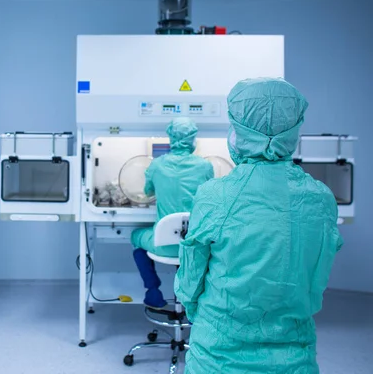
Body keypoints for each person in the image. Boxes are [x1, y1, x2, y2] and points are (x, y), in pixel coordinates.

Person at [174, 78, 343, 373]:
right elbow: (315, 286)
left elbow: (190, 283)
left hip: (217, 354)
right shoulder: (321, 199)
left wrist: (203, 318)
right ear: (293, 131)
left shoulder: (215, 195)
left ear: (238, 132)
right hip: (294, 357)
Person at [131, 118, 214, 309]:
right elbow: (210, 195)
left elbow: (147, 192)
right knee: (190, 245)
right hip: (195, 245)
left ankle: (152, 290)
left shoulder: (157, 165)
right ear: (194, 140)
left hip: (162, 245)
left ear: (170, 139)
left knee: (136, 237)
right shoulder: (205, 166)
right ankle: (190, 297)